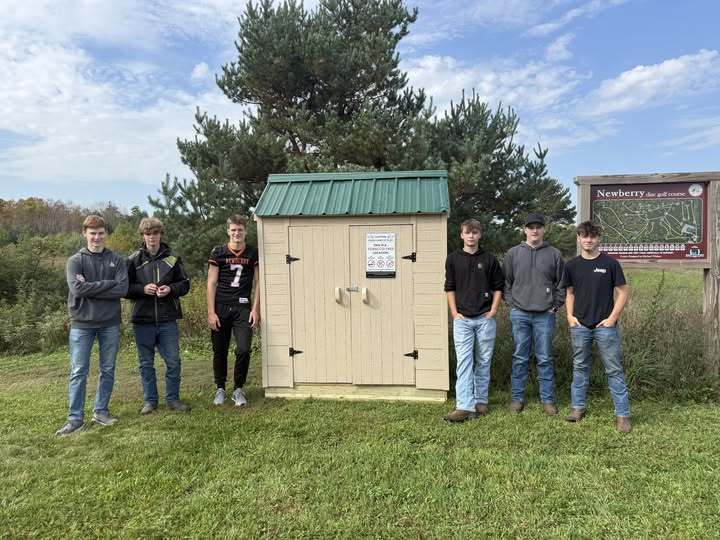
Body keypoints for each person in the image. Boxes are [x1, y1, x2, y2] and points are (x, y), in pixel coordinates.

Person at [56, 215, 128, 436]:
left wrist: (93, 286)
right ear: (85, 233)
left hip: (110, 323)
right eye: (92, 233)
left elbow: (122, 290)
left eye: (101, 233)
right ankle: (75, 419)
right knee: (79, 371)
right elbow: (78, 290)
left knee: (108, 369)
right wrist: (108, 285)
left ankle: (101, 412)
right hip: (82, 324)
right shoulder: (75, 261)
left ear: (106, 234)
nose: (97, 237)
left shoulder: (117, 260)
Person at [562, 221, 631, 433]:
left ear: (598, 238)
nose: (588, 240)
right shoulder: (572, 265)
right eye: (584, 236)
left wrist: (612, 318)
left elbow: (623, 292)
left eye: (592, 236)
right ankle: (577, 408)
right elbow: (570, 293)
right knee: (580, 367)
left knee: (614, 369)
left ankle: (622, 415)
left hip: (605, 327)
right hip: (580, 325)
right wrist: (570, 317)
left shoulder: (610, 264)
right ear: (579, 238)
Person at [126, 217, 191, 415]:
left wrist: (170, 289)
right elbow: (124, 288)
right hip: (143, 320)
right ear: (143, 236)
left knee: (173, 362)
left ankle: (173, 399)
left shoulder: (172, 257)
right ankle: (150, 401)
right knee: (146, 363)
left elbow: (185, 284)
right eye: (148, 234)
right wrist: (142, 289)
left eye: (155, 233)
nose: (152, 237)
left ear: (160, 234)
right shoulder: (133, 259)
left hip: (167, 319)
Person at [503, 213, 565, 415]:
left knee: (545, 358)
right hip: (519, 313)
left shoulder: (554, 254)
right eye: (531, 227)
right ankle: (517, 398)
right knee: (520, 357)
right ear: (524, 230)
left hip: (545, 315)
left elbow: (562, 284)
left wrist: (555, 306)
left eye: (538, 226)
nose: (535, 230)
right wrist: (513, 304)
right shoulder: (513, 253)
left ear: (544, 229)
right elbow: (506, 283)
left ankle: (547, 400)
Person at [444, 219, 504, 423]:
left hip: (485, 318)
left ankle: (480, 402)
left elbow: (498, 287)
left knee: (484, 361)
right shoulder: (452, 259)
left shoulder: (489, 259)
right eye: (467, 232)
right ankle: (464, 405)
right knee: (464, 362)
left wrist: (493, 311)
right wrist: (454, 313)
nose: (471, 236)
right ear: (461, 235)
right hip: (462, 319)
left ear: (480, 235)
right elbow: (449, 288)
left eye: (475, 232)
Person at [207, 215, 261, 407]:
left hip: (242, 307)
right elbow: (212, 283)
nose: (237, 233)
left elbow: (258, 282)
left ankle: (238, 388)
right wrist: (211, 312)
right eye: (233, 230)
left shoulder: (252, 253)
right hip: (221, 306)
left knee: (244, 348)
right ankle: (220, 387)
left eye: (240, 230)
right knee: (219, 349)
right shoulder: (218, 252)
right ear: (228, 231)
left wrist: (256, 309)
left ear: (245, 231)